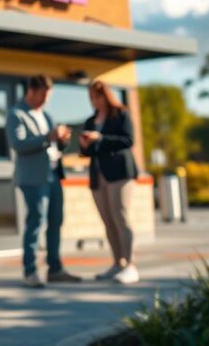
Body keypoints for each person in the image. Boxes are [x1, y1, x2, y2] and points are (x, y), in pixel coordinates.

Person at [6, 74, 81, 288]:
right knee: (36, 222)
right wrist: (48, 137)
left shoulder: (46, 116)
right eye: (43, 95)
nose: (45, 100)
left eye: (48, 96)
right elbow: (18, 145)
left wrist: (62, 141)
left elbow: (53, 146)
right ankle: (30, 271)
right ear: (31, 91)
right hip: (32, 177)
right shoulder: (16, 114)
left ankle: (55, 269)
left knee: (56, 221)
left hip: (53, 175)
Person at [79, 80, 140, 284]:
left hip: (120, 173)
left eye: (97, 97)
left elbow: (128, 140)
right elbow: (87, 152)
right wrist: (86, 144)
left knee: (119, 216)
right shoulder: (90, 120)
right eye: (91, 98)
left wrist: (101, 138)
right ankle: (117, 263)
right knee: (107, 220)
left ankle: (130, 265)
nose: (94, 101)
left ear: (106, 95)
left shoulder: (121, 114)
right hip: (98, 175)